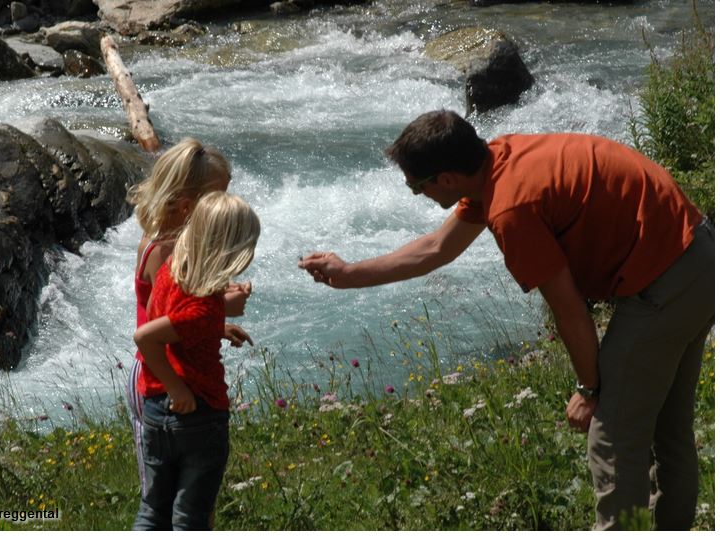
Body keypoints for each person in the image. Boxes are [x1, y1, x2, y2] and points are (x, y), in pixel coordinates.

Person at [298, 110, 714, 530]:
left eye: (416, 187)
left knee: (612, 439)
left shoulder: (512, 208)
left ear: (446, 179)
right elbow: (437, 248)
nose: (417, 195)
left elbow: (569, 311)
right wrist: (348, 274)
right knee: (668, 430)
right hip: (697, 254)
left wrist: (589, 390)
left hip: (664, 285)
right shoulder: (499, 159)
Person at [125, 138, 252, 505]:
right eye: (217, 198)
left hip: (160, 369)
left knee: (169, 497)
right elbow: (167, 318)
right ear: (186, 206)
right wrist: (224, 307)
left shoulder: (161, 239)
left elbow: (176, 318)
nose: (222, 206)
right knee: (160, 500)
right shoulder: (166, 250)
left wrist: (216, 326)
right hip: (159, 376)